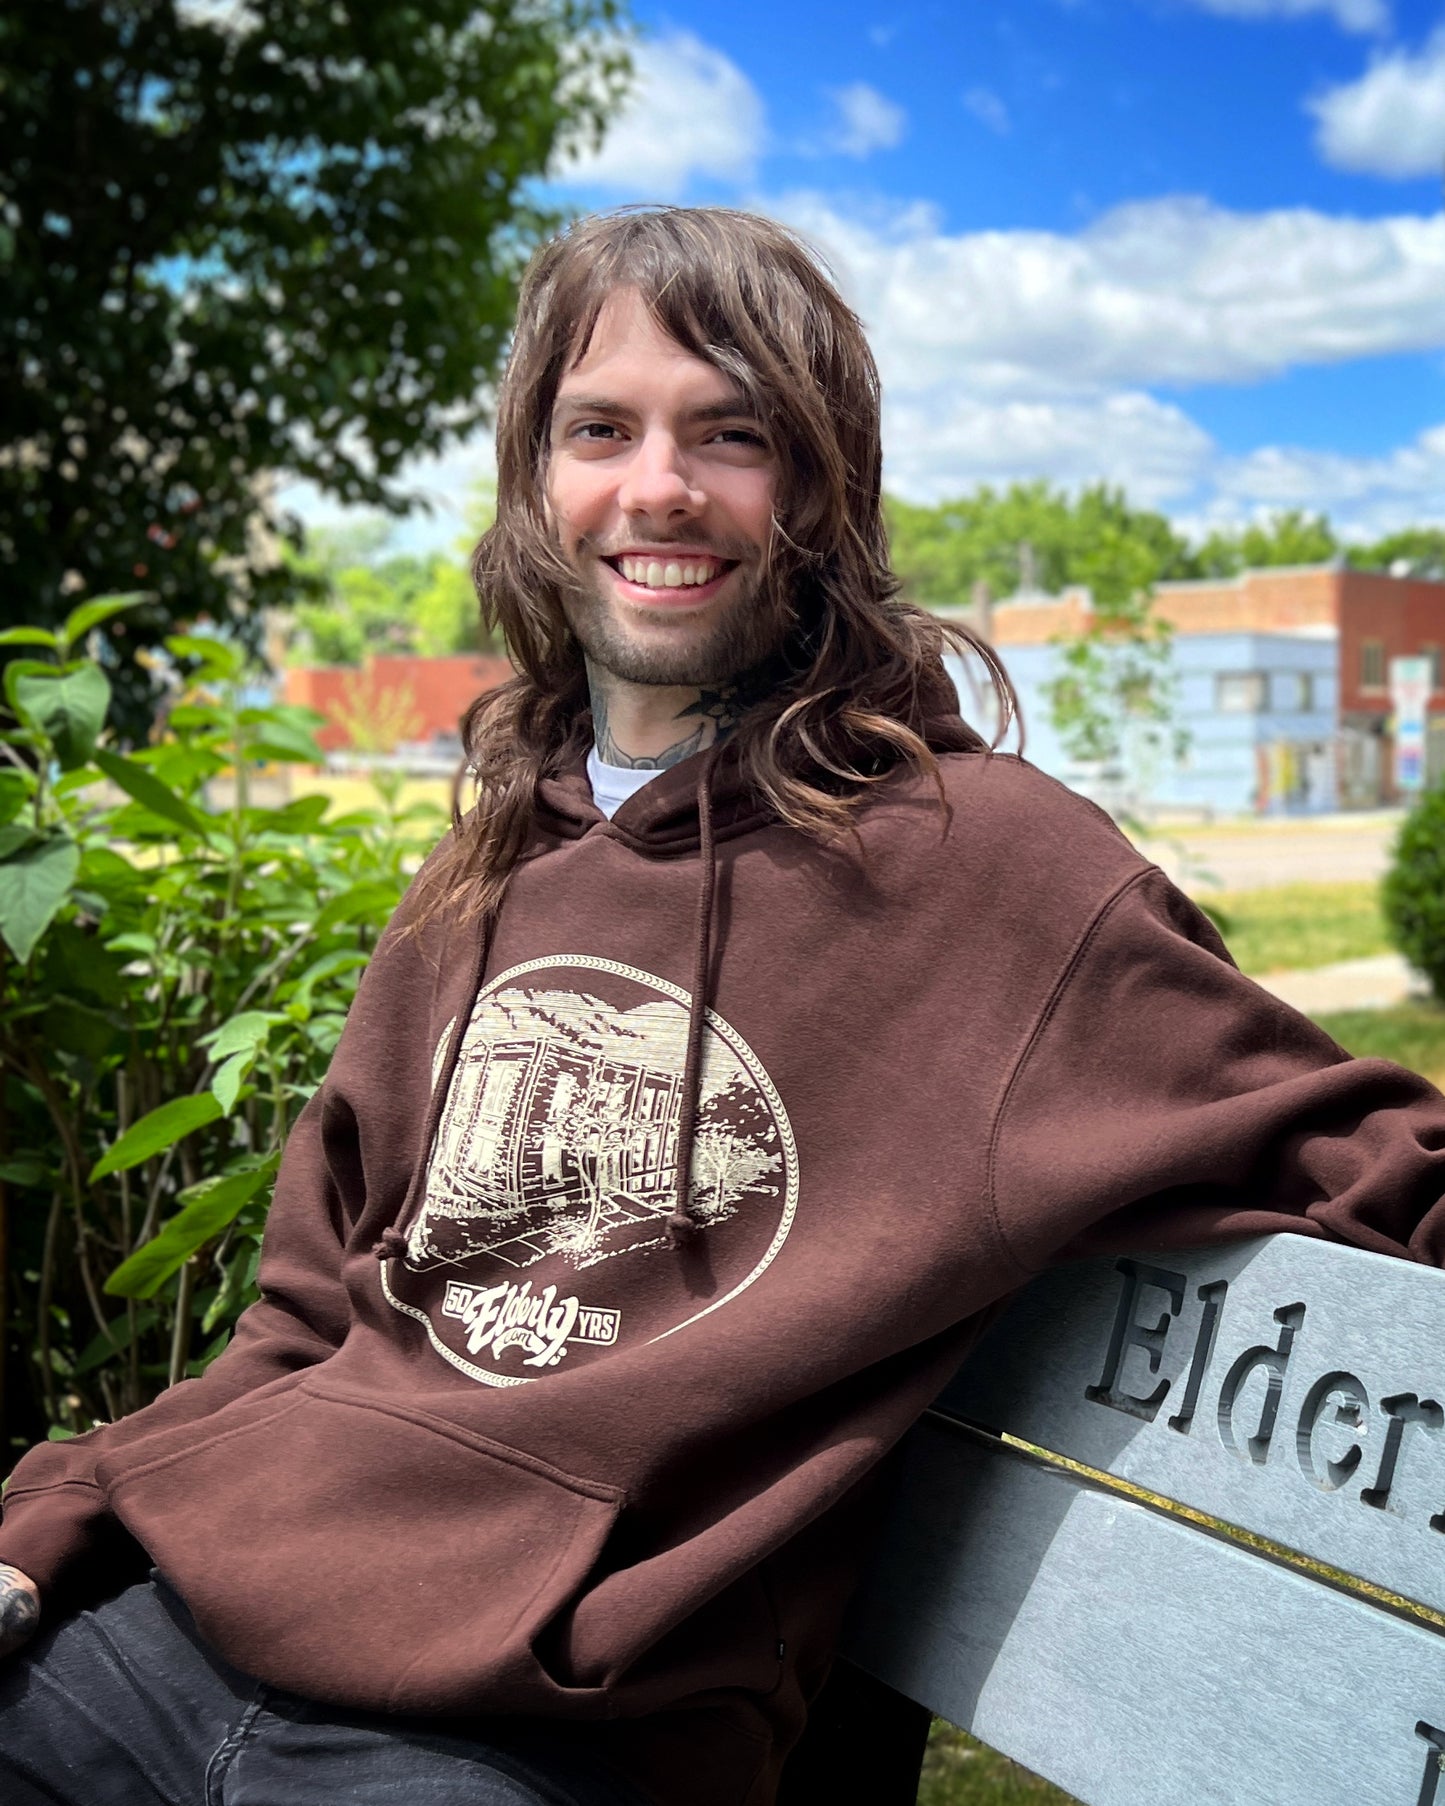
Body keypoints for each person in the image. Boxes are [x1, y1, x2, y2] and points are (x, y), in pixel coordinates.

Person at [2, 204, 1444, 1806]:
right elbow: (305, 1315)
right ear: (539, 485)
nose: (658, 488)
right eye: (600, 429)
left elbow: (1371, 1152)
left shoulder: (990, 878)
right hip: (167, 1636)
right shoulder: (483, 868)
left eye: (730, 433)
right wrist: (48, 1522)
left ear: (818, 486)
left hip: (530, 1738)